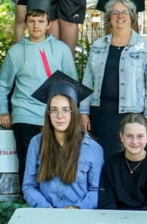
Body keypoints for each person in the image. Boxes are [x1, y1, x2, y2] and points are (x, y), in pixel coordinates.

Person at [0, 0, 78, 161]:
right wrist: (3, 110)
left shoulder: (61, 49)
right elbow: (3, 84)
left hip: (55, 116)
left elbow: (72, 84)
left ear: (48, 24)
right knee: (27, 164)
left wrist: (74, 113)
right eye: (31, 21)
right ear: (25, 23)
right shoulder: (16, 52)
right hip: (24, 115)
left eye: (41, 21)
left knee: (54, 164)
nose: (36, 26)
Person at [80, 0, 147, 154]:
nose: (120, 16)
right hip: (101, 114)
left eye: (124, 12)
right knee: (103, 161)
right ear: (109, 17)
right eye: (115, 12)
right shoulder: (98, 45)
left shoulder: (145, 46)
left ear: (132, 16)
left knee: (132, 161)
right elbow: (87, 81)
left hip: (133, 114)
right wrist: (83, 111)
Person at [22, 77, 105, 209]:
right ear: (48, 113)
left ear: (74, 112)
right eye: (54, 110)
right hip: (46, 217)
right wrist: (46, 208)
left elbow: (97, 190)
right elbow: (28, 186)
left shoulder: (93, 149)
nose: (59, 116)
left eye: (65, 110)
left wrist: (78, 208)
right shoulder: (37, 143)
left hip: (80, 219)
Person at [101, 115, 147, 211]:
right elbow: (107, 203)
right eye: (129, 136)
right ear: (121, 137)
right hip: (115, 221)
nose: (134, 141)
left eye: (140, 136)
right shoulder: (111, 164)